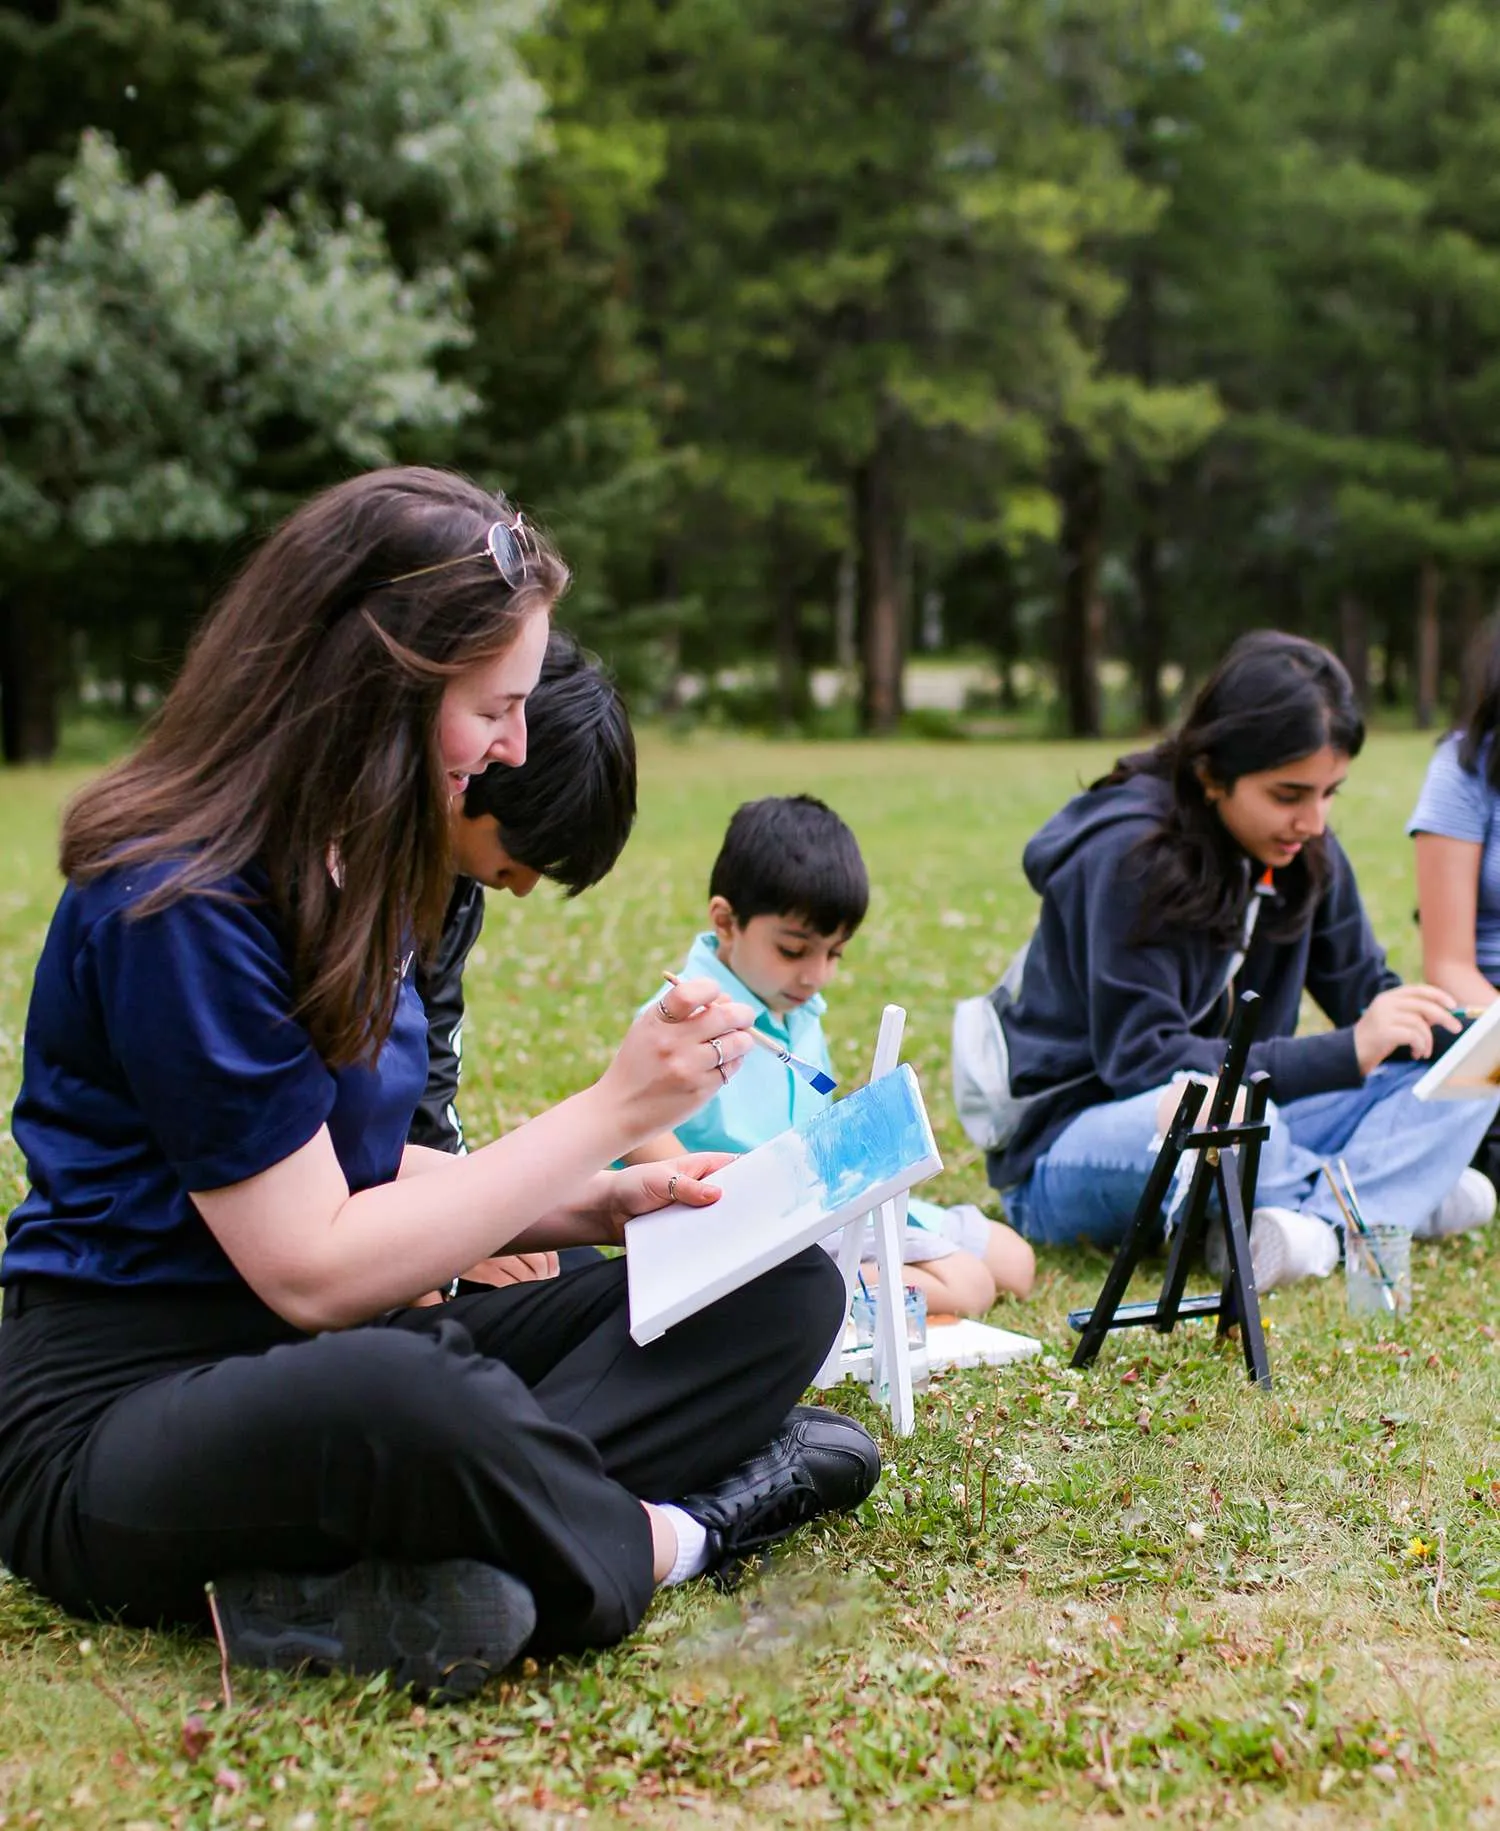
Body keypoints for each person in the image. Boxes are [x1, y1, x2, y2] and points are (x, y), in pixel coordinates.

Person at [0, 467, 878, 1700]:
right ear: (381, 678)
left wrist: (599, 1203)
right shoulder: (180, 897)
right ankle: (676, 1534)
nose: (515, 748)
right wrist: (614, 1109)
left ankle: (403, 1572)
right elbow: (311, 1267)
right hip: (123, 1413)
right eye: (495, 708)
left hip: (330, 1353)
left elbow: (343, 1170)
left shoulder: (357, 866)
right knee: (406, 1390)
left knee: (770, 1287)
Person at [985, 630, 1497, 1290]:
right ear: (1210, 772)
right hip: (1083, 1143)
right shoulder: (1123, 855)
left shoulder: (1304, 850)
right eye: (1289, 795)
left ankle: (1317, 1215)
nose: (1314, 820)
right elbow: (1141, 1063)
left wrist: (1450, 1033)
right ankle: (1376, 1203)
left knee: (1475, 1072)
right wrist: (1350, 1050)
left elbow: (1365, 994)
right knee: (1218, 1112)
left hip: (1249, 1122)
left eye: (1330, 792)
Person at [630, 795, 1036, 1315]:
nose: (816, 974)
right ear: (726, 922)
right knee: (972, 1285)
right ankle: (822, 1300)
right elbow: (638, 1137)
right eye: (794, 951)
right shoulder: (677, 1021)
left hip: (831, 1207)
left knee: (1015, 1262)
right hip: (763, 1236)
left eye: (834, 953)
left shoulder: (794, 1006)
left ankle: (841, 1287)